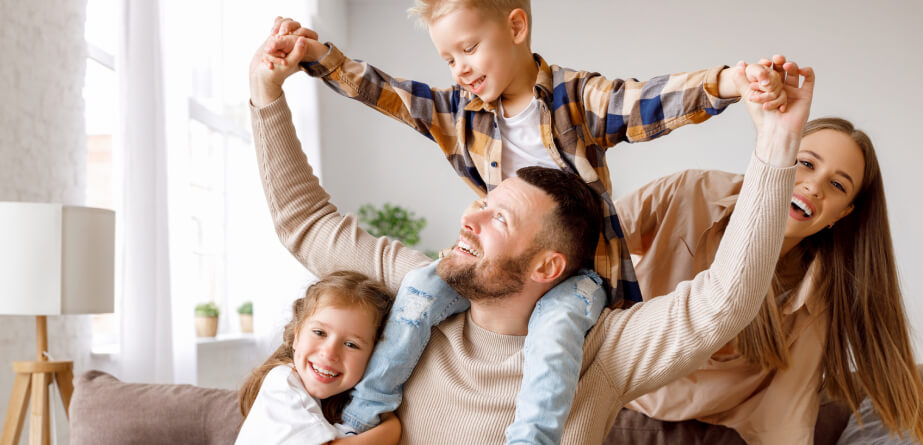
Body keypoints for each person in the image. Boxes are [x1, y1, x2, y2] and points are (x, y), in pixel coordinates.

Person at [248, 31, 813, 445]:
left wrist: (779, 144)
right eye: (482, 205)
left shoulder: (604, 352)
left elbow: (725, 300)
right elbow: (306, 223)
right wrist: (266, 94)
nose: (469, 221)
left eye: (500, 220)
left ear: (547, 266)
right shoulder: (419, 298)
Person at [615, 117, 923, 443]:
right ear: (777, 155)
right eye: (806, 164)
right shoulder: (690, 193)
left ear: (841, 214)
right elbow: (584, 248)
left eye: (838, 185)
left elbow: (789, 407)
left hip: (711, 426)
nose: (814, 187)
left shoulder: (816, 293)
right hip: (615, 386)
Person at [235, 271, 401, 445]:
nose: (329, 353)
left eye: (351, 344)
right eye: (319, 333)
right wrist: (392, 426)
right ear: (297, 336)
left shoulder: (342, 404)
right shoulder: (283, 382)